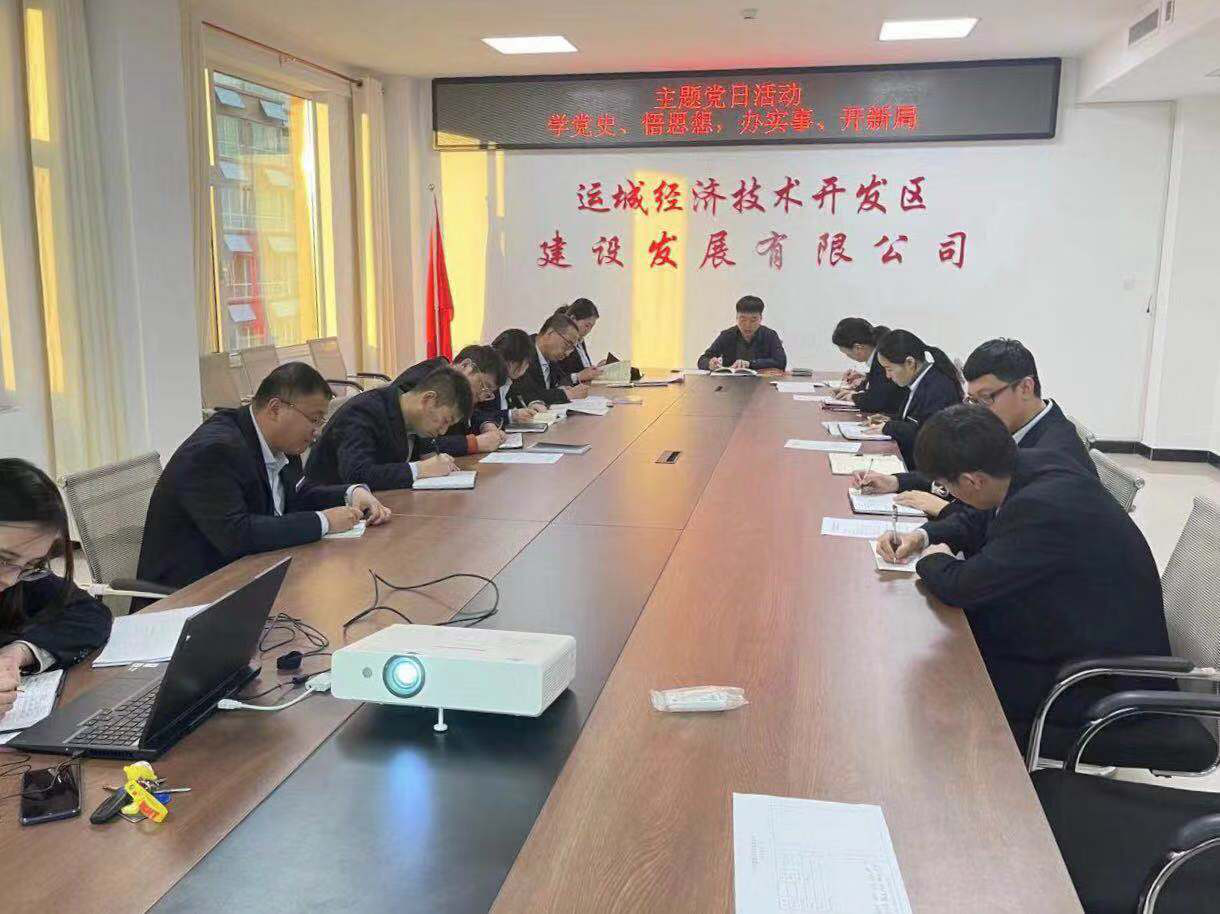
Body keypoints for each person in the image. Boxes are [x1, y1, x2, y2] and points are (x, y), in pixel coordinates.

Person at [875, 406, 1178, 753]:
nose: (950, 496)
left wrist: (933, 560)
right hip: (1073, 630)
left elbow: (962, 587)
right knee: (938, 653)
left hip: (1100, 680)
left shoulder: (1042, 509)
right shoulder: (1029, 465)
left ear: (973, 481)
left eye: (947, 486)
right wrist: (923, 536)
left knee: (946, 684)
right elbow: (978, 518)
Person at [138, 362, 390, 593]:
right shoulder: (215, 450)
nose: (317, 432)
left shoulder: (283, 443)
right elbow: (237, 535)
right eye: (314, 420)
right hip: (192, 594)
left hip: (253, 575)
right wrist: (323, 521)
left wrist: (351, 493)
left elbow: (296, 496)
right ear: (275, 409)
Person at [856, 338, 1096, 519]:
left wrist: (945, 509)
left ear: (1025, 387)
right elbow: (960, 471)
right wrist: (897, 481)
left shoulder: (1055, 453)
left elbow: (1003, 525)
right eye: (972, 400)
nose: (979, 411)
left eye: (986, 397)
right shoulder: (1011, 428)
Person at [0, 459, 113, 714]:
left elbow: (89, 614)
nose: (10, 580)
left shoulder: (21, 575)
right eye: (2, 559)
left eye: (31, 564)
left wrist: (18, 653)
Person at [305, 364, 475, 490]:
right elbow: (357, 474)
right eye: (445, 420)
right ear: (428, 400)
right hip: (333, 511)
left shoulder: (415, 421)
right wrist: (420, 469)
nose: (443, 431)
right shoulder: (364, 411)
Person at [862, 329, 961, 466]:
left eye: (889, 369)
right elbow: (912, 419)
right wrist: (889, 419)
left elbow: (927, 435)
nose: (888, 376)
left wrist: (889, 427)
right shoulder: (920, 380)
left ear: (909, 363)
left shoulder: (938, 388)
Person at [389, 345, 509, 455]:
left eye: (488, 393)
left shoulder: (458, 389)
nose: (482, 396)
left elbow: (472, 415)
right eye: (483, 385)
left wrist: (487, 425)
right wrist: (472, 444)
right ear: (465, 365)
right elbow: (415, 444)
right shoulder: (425, 379)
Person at [507, 313, 589, 407]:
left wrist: (564, 388)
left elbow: (562, 379)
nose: (567, 353)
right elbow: (525, 394)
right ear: (550, 333)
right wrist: (566, 394)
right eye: (567, 344)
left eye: (572, 348)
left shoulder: (551, 358)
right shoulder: (523, 351)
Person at [830, 318, 905, 414]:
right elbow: (879, 384)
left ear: (858, 348)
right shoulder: (879, 351)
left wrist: (853, 397)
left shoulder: (882, 359)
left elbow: (876, 401)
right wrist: (865, 378)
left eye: (847, 353)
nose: (848, 356)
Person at [697, 295, 787, 371]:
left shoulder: (770, 335)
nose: (747, 325)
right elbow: (702, 359)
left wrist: (750, 364)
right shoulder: (727, 335)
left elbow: (781, 362)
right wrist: (710, 364)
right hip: (731, 383)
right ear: (737, 318)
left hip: (761, 383)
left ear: (760, 319)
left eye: (753, 320)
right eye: (743, 319)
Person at [491, 329, 543, 425]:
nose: (527, 366)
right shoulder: (489, 382)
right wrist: (510, 415)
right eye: (526, 362)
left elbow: (528, 393)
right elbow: (482, 416)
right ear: (513, 362)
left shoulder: (513, 379)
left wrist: (531, 405)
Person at [553, 299, 605, 386]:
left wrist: (596, 369)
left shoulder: (580, 340)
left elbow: (583, 369)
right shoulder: (560, 341)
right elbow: (558, 379)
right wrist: (578, 376)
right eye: (587, 325)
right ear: (573, 319)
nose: (588, 330)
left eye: (591, 327)